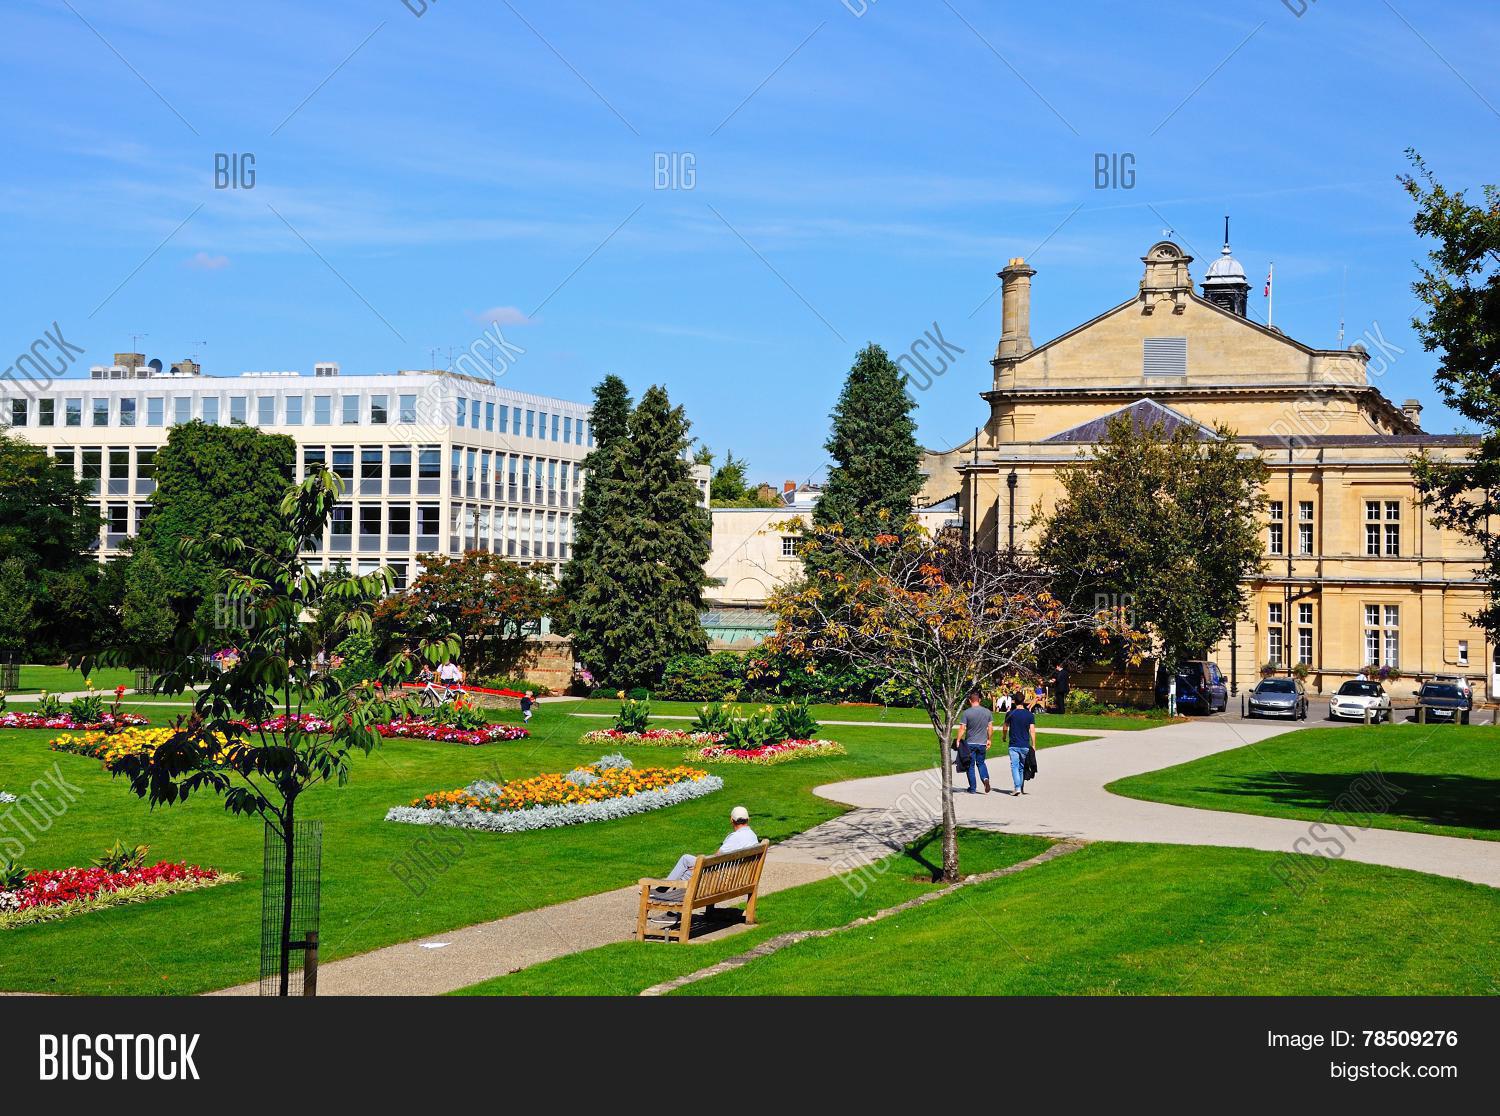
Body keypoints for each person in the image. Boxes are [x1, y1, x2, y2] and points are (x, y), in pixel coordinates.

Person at [652, 807, 760, 922]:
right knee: (686, 859)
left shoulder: (734, 838)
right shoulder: (752, 836)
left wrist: (699, 866)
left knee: (687, 874)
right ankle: (662, 889)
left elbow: (716, 858)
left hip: (720, 880)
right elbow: (719, 860)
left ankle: (673, 913)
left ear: (731, 820)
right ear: (748, 819)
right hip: (739, 879)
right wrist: (700, 864)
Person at [956, 691, 993, 794]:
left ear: (969, 701)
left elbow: (962, 728)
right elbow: (990, 727)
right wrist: (989, 739)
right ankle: (985, 779)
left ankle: (972, 788)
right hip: (982, 742)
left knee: (970, 765)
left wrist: (958, 740)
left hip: (970, 743)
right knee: (981, 763)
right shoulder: (987, 712)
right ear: (979, 700)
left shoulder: (967, 713)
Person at [1002, 692, 1036, 797]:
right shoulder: (1029, 714)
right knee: (1021, 767)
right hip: (1025, 744)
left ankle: (1017, 787)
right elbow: (1032, 730)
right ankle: (1019, 787)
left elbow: (1005, 726)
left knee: (1014, 766)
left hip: (1014, 744)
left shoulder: (1010, 714)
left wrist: (1004, 736)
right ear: (1023, 700)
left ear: (1014, 701)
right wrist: (1034, 744)